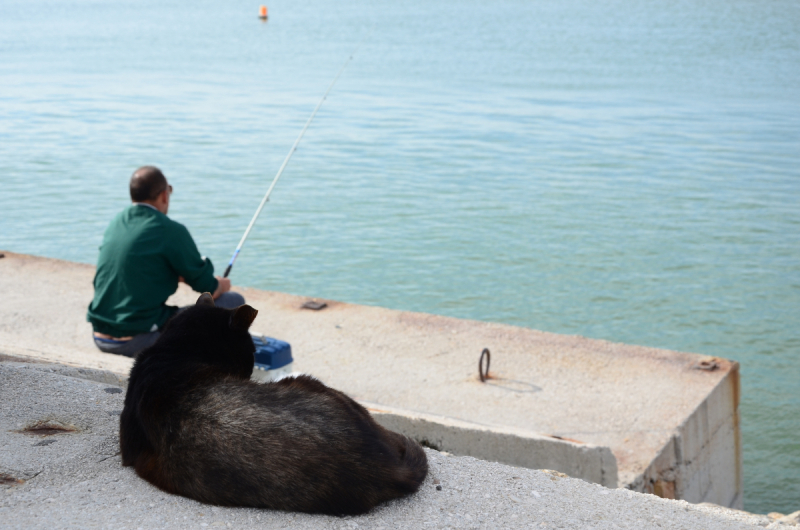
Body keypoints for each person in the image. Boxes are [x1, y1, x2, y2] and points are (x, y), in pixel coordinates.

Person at [87, 166, 245, 357]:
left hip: (100, 334)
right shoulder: (170, 230)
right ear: (164, 195)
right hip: (136, 338)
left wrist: (171, 274)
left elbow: (132, 268)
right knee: (233, 302)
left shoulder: (117, 222)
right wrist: (220, 284)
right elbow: (207, 287)